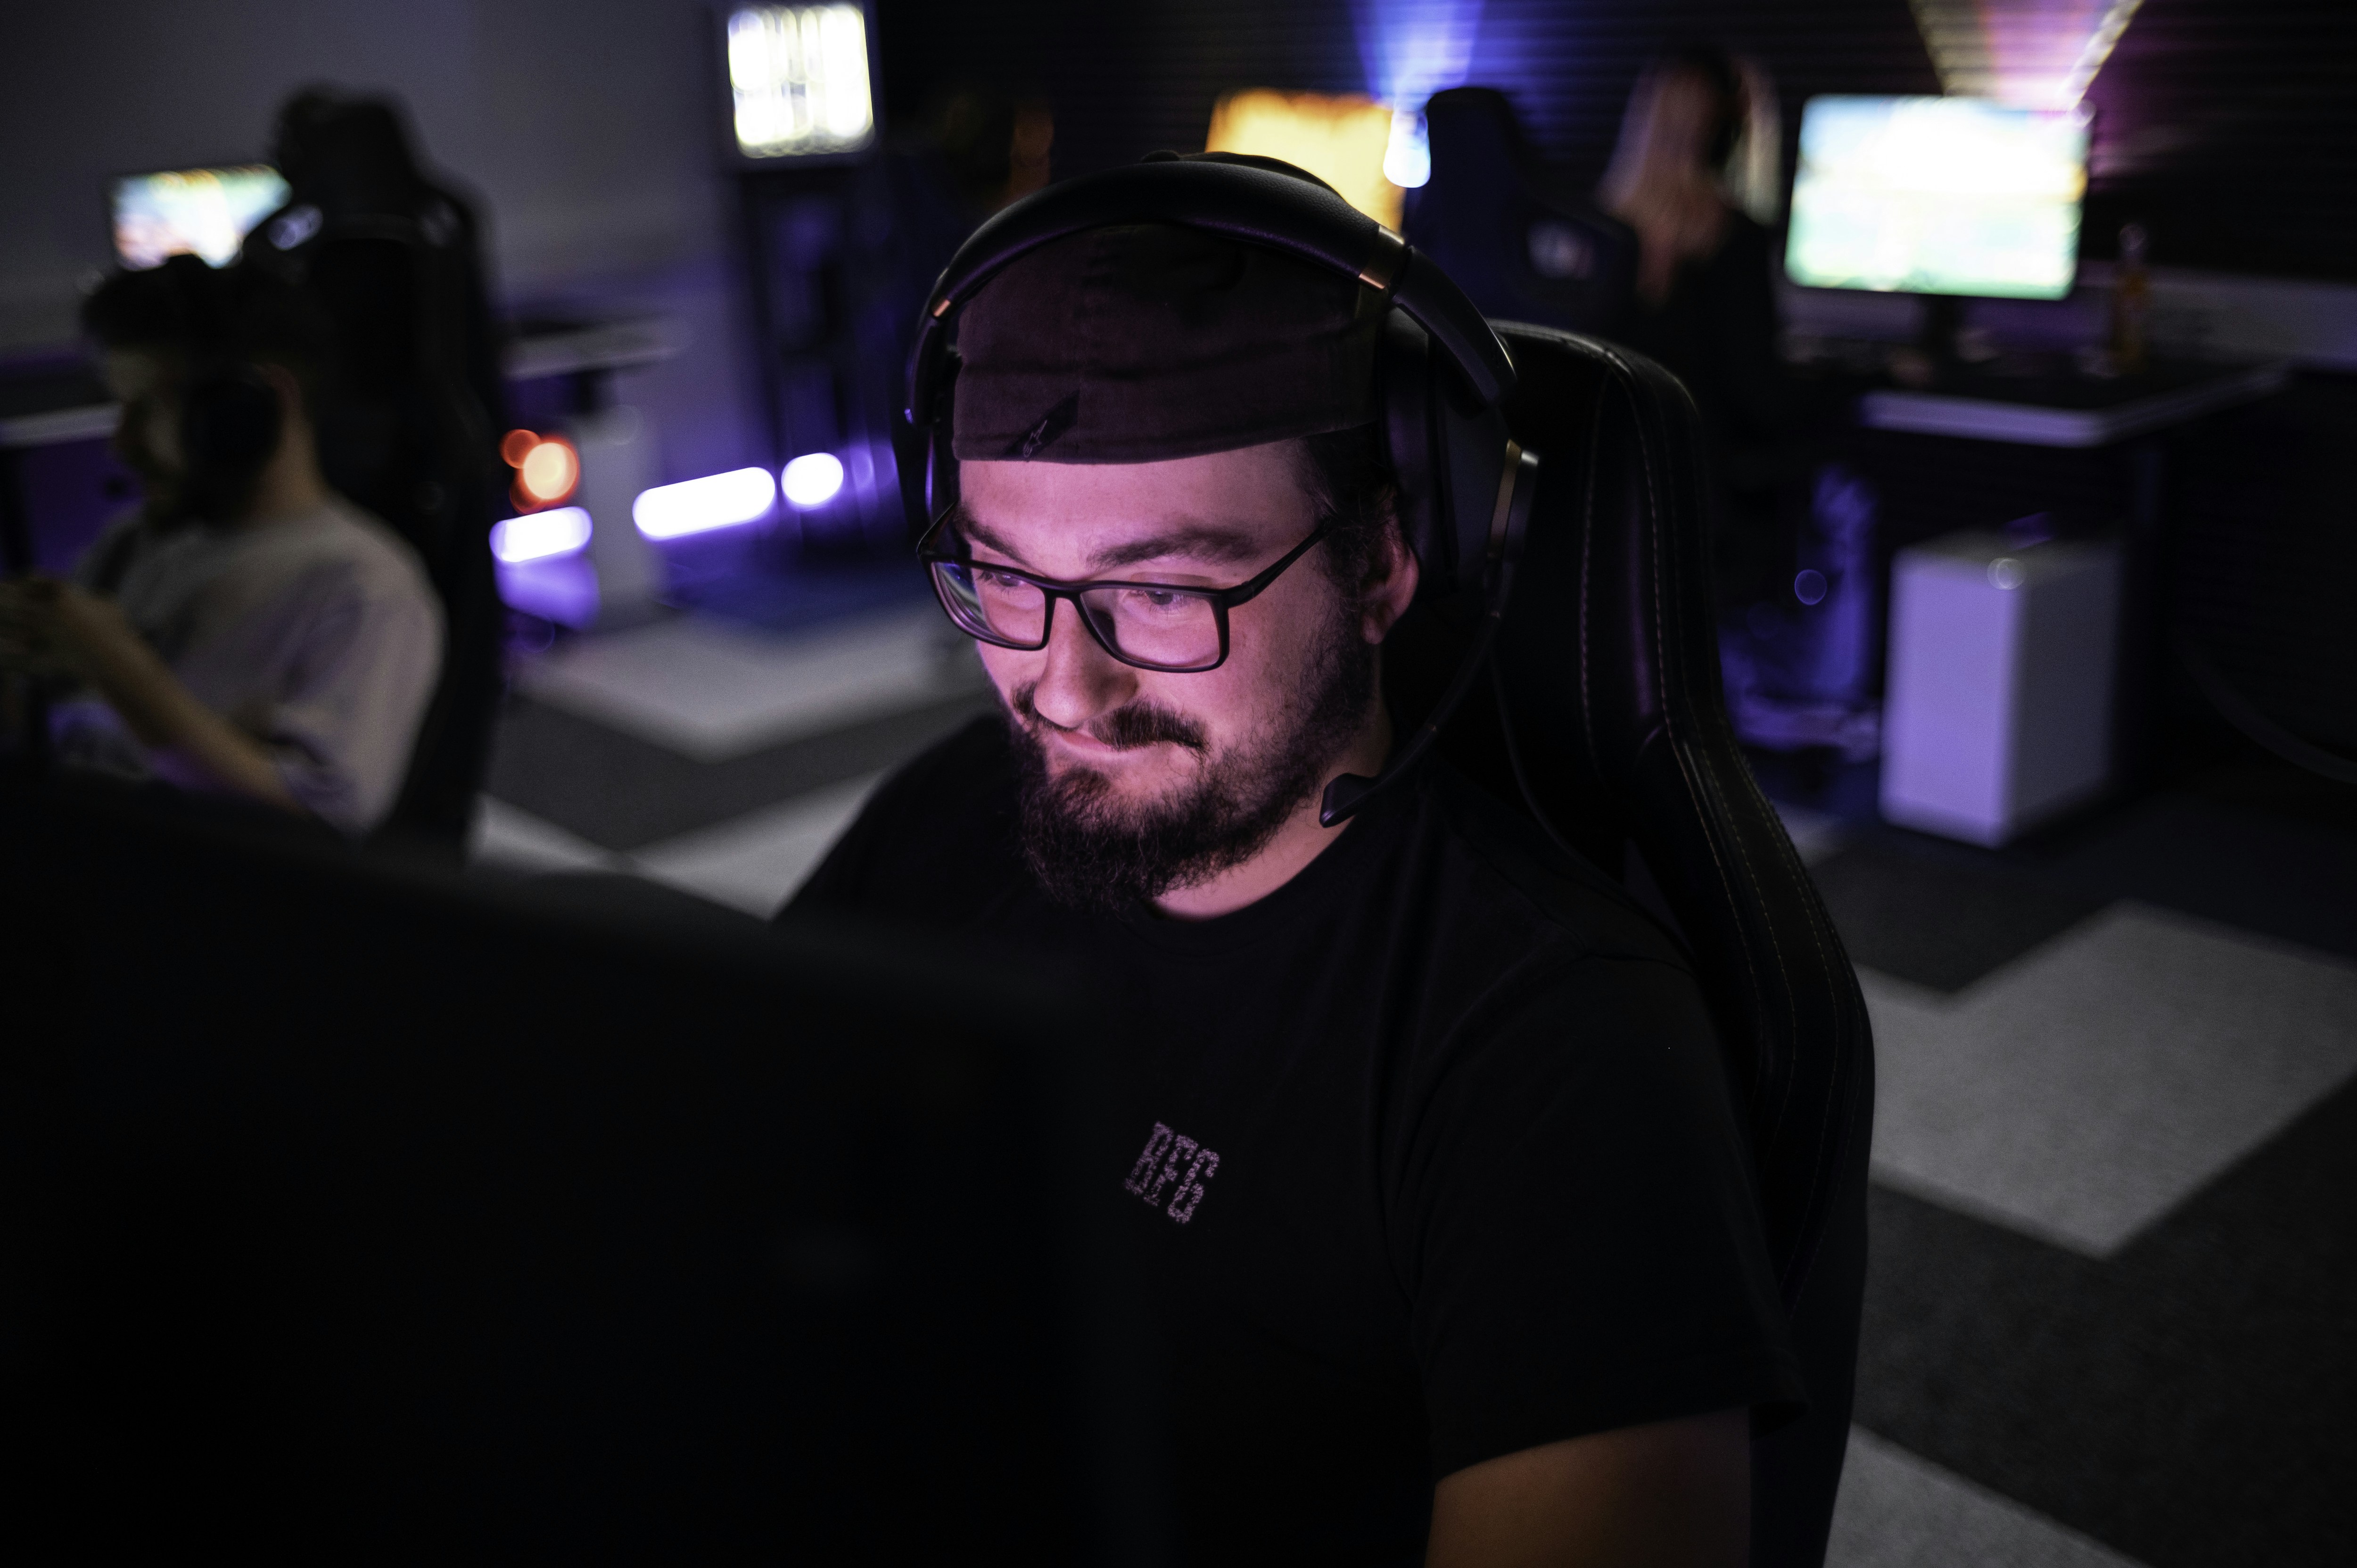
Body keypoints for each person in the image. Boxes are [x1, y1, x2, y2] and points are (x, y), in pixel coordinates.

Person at [783, 160, 1802, 1565]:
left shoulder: (1558, 1052)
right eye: (1004, 578)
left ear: (1382, 563)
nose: (1060, 692)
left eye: (1160, 591)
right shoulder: (956, 807)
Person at [0, 256, 442, 835]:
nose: (121, 444)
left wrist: (116, 665)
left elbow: (318, 825)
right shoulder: (137, 541)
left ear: (255, 404)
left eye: (148, 409)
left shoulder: (363, 588)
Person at [1598, 46, 1793, 610]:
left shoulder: (1596, 238)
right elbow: (1760, 396)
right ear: (1731, 134)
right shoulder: (1734, 240)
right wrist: (1867, 376)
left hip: (1608, 502)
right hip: (1701, 510)